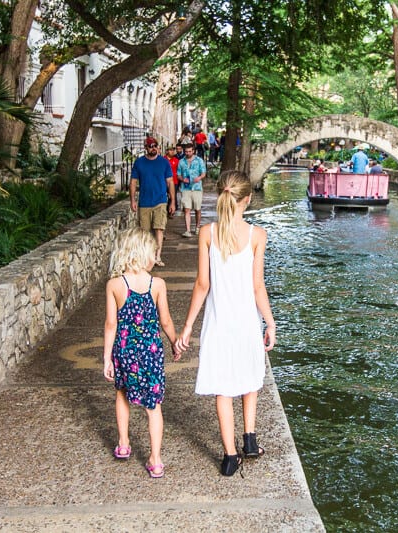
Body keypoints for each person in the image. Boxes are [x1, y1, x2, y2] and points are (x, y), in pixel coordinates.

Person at [175, 170, 276, 477]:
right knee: (250, 379)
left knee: (223, 389)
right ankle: (250, 439)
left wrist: (188, 326)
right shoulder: (257, 235)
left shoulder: (207, 233)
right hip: (246, 323)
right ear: (247, 199)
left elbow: (202, 285)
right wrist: (270, 323)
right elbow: (258, 287)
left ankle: (230, 456)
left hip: (217, 325)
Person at [103, 228, 180, 477]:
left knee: (122, 393)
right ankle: (155, 460)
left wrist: (107, 358)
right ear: (142, 253)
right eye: (152, 253)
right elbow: (165, 321)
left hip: (125, 352)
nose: (154, 258)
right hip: (150, 353)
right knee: (153, 406)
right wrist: (174, 341)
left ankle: (124, 444)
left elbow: (110, 324)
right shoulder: (157, 284)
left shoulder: (115, 285)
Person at [131, 138, 175, 267]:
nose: (153, 148)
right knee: (144, 232)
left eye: (155, 146)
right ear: (146, 147)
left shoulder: (164, 162)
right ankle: (146, 257)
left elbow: (170, 181)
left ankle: (157, 256)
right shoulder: (139, 163)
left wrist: (172, 201)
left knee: (159, 229)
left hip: (160, 200)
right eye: (150, 146)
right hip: (144, 202)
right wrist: (132, 200)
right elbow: (133, 182)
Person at [177, 143, 207, 238]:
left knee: (197, 209)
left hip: (197, 188)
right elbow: (178, 174)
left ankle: (197, 227)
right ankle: (188, 230)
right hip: (185, 188)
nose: (188, 153)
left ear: (193, 151)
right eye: (186, 151)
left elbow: (203, 173)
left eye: (190, 151)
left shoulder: (199, 160)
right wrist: (182, 179)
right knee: (187, 209)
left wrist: (199, 178)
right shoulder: (181, 162)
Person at [164, 145, 180, 212]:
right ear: (167, 151)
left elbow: (179, 170)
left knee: (172, 195)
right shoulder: (163, 159)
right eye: (171, 150)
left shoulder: (176, 160)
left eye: (173, 150)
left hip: (174, 181)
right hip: (164, 181)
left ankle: (171, 211)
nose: (172, 152)